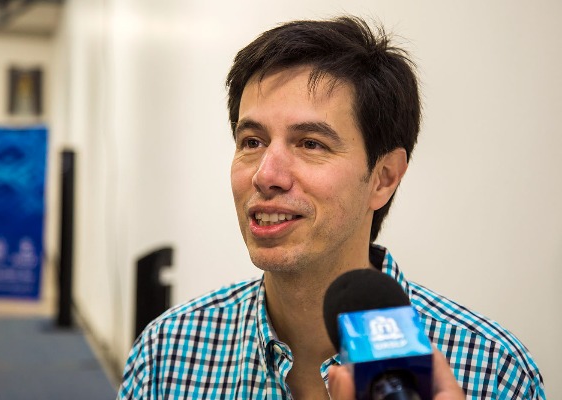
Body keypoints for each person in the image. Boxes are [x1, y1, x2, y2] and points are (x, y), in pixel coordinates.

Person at [117, 16, 545, 399]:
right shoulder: (166, 353)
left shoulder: (492, 372)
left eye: (310, 143)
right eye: (252, 141)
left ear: (384, 178)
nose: (266, 175)